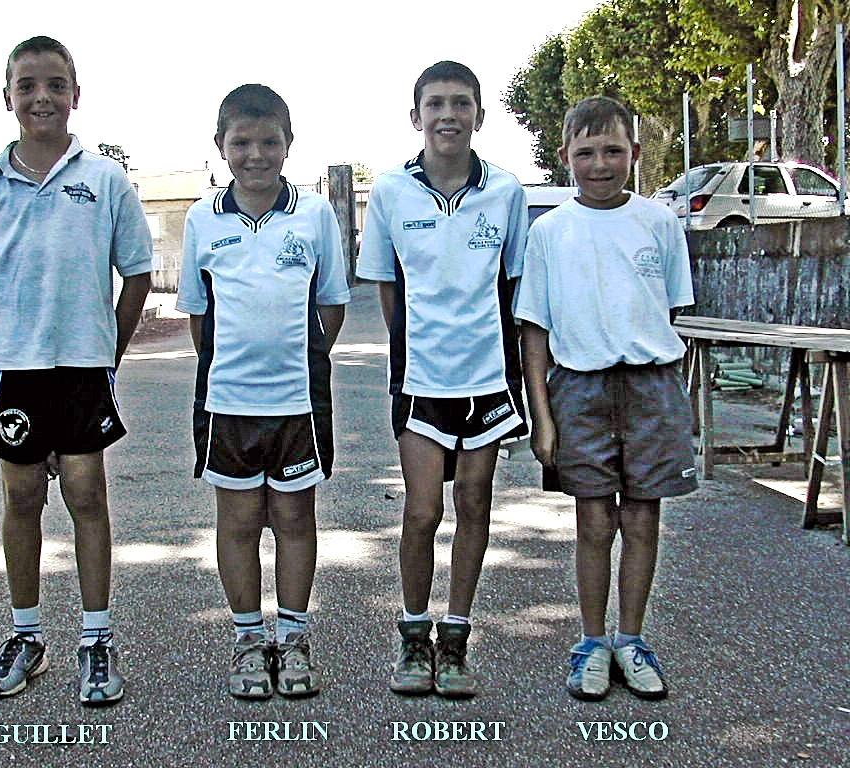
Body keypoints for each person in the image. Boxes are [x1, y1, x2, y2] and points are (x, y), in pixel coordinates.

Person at [0, 36, 152, 706]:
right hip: (13, 370)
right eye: (27, 85)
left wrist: (108, 354)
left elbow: (137, 274)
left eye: (56, 85)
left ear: (75, 96)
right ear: (7, 98)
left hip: (82, 367)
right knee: (22, 498)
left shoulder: (105, 179)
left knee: (87, 495)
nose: (42, 97)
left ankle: (97, 637)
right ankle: (27, 634)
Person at [514, 95, 698, 702]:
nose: (600, 165)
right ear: (565, 156)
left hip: (651, 388)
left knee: (642, 518)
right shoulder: (549, 232)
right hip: (579, 390)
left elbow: (668, 312)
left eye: (613, 151)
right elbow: (534, 331)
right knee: (594, 521)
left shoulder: (659, 222)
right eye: (587, 152)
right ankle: (591, 642)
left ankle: (631, 640)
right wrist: (542, 418)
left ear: (635, 154)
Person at [356, 61, 529, 699]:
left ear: (479, 116)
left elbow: (515, 285)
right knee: (423, 509)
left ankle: (455, 639)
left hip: (488, 380)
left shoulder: (506, 192)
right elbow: (386, 287)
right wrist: (415, 353)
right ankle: (413, 635)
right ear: (416, 116)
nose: (447, 115)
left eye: (461, 103)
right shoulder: (391, 192)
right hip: (421, 381)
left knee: (475, 503)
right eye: (435, 104)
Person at [177, 84, 350, 700]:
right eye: (241, 142)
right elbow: (199, 315)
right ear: (220, 145)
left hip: (298, 405)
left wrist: (300, 360)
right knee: (239, 521)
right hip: (228, 404)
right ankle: (250, 639)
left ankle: (294, 639)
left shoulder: (315, 214)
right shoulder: (202, 219)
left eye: (269, 141)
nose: (255, 154)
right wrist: (232, 367)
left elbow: (332, 303)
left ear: (289, 143)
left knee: (295, 518)